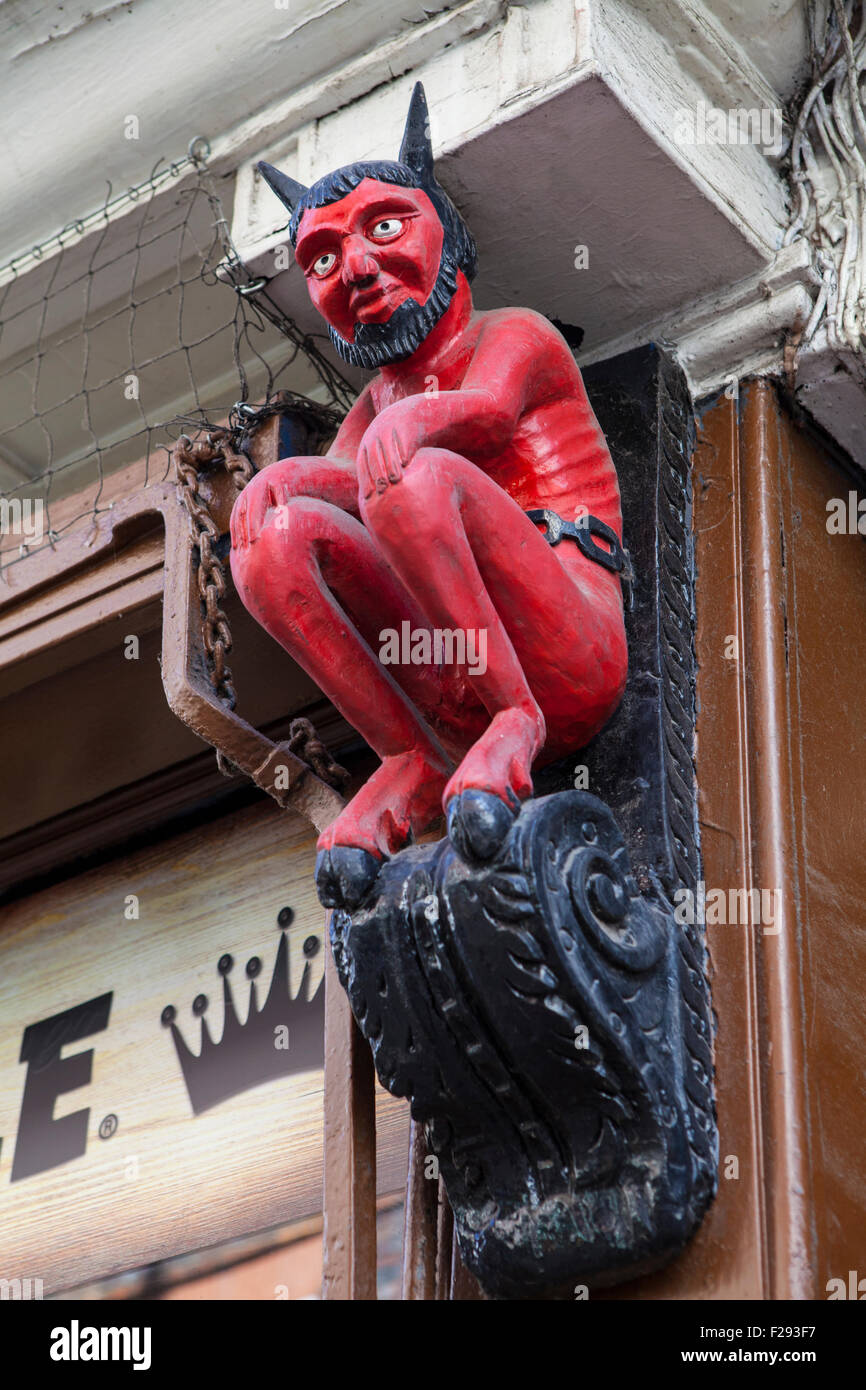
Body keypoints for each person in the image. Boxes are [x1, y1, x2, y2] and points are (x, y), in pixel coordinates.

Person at [230, 84, 629, 909]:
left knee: (411, 477)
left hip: (566, 645)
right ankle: (409, 756)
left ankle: (516, 724)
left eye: (384, 227)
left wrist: (400, 432)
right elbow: (339, 489)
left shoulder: (513, 336)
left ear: (447, 235)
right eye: (325, 259)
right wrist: (279, 481)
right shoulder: (381, 404)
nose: (359, 269)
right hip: (453, 674)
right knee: (277, 536)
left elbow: (480, 420)